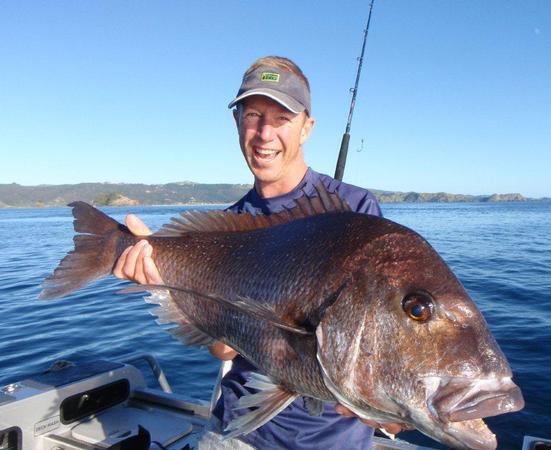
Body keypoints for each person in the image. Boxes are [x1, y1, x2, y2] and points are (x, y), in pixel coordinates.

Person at [113, 56, 407, 449]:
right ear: (237, 123)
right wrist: (160, 282)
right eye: (253, 115)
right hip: (240, 430)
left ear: (307, 128)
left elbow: (384, 333)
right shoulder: (226, 228)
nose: (264, 133)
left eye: (282, 118)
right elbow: (223, 349)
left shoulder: (355, 213)